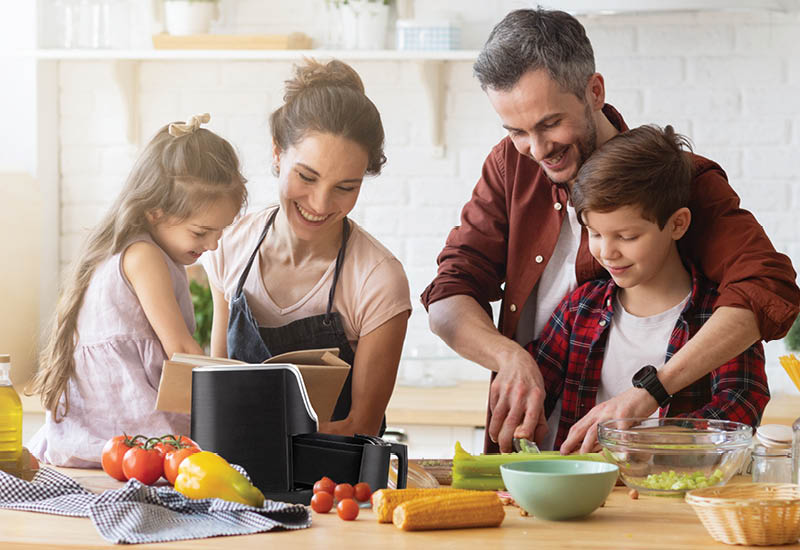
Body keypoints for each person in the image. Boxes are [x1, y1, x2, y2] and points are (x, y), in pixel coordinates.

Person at [421, 8, 799, 454]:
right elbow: (448, 295)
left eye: (549, 124)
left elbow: (766, 286)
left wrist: (650, 395)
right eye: (516, 131)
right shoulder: (510, 165)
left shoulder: (677, 180)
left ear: (594, 91)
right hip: (543, 458)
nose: (537, 149)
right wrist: (509, 358)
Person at [204, 59, 411, 437]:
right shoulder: (229, 245)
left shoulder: (378, 279)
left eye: (345, 188)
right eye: (307, 176)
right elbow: (217, 387)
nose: (319, 203)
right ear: (277, 153)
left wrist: (259, 438)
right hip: (236, 481)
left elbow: (361, 426)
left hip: (336, 485)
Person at [529, 124, 770, 449]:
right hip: (583, 496)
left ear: (677, 224)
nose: (606, 252)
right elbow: (535, 390)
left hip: (678, 495)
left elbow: (740, 407)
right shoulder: (579, 308)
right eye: (595, 233)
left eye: (627, 237)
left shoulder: (719, 318)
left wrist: (643, 442)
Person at [28, 114, 247, 466]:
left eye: (220, 232)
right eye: (201, 232)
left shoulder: (135, 248)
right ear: (155, 213)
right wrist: (237, 394)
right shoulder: (144, 256)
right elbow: (179, 349)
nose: (213, 245)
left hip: (102, 430)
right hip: (127, 428)